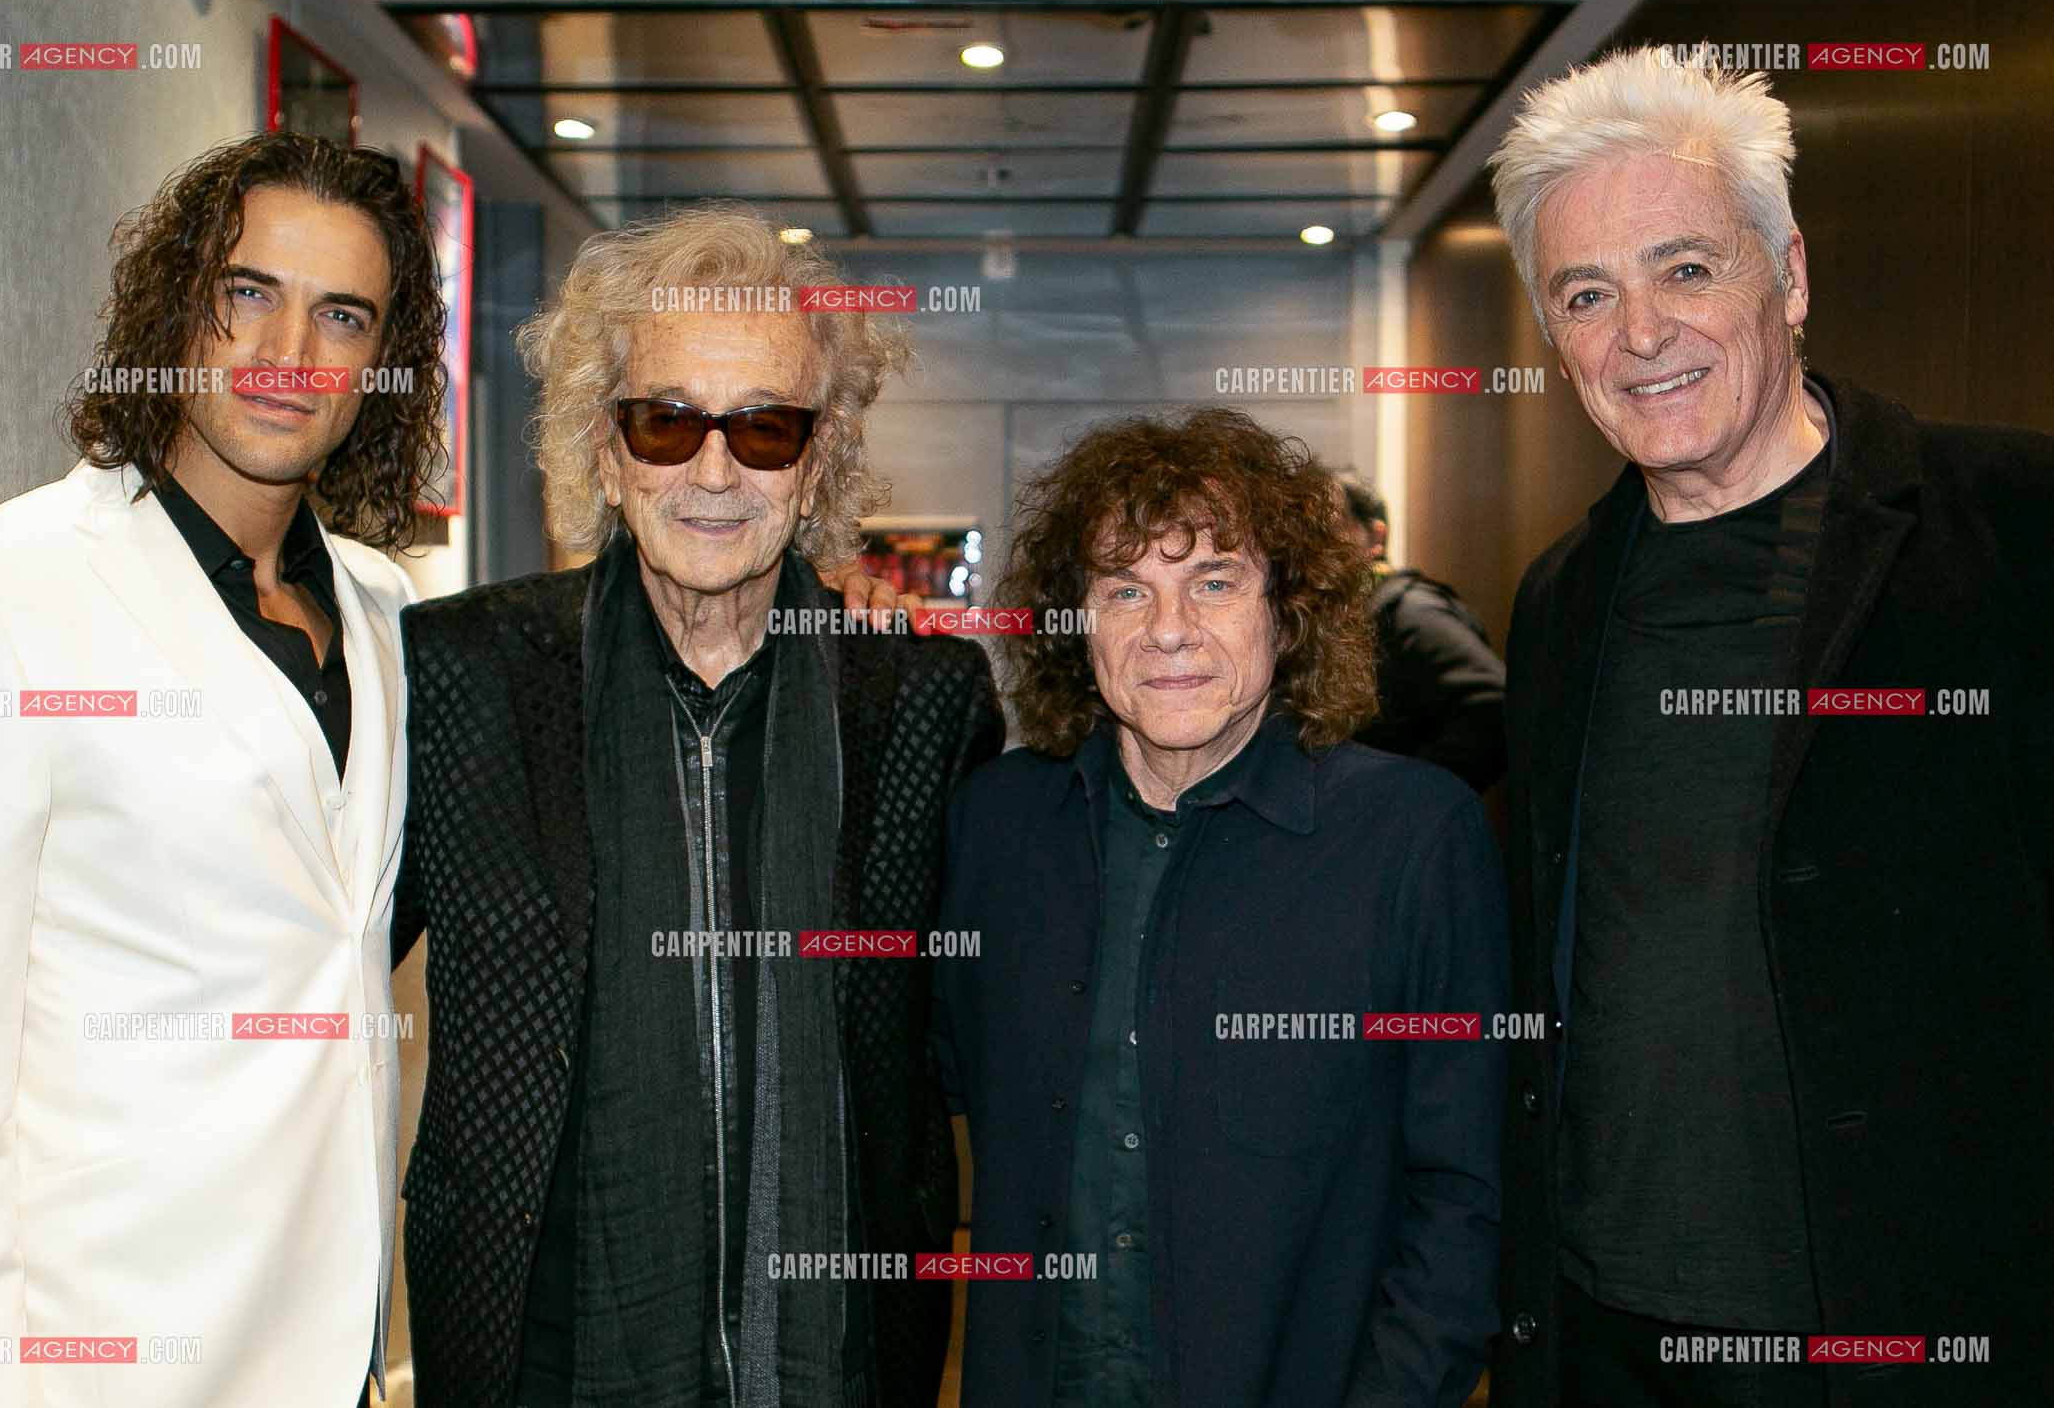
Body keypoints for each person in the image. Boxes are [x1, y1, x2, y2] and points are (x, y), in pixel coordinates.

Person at [0, 132, 446, 1408]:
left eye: (343, 316)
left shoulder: (385, 618)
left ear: (379, 363)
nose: (291, 357)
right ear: (177, 307)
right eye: (247, 295)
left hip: (330, 1361)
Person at [1487, 47, 2054, 1407]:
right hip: (1609, 1327)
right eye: (1585, 294)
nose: (1639, 331)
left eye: (1685, 269)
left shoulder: (2012, 530)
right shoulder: (1562, 599)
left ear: (1787, 276)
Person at [392, 203, 1004, 1408]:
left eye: (765, 428)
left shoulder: (920, 697)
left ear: (818, 461)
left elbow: (989, 1016)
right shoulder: (463, 674)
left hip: (839, 1351)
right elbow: (298, 966)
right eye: (667, 422)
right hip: (540, 1349)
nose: (713, 471)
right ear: (606, 450)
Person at [936, 407, 1507, 1407]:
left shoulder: (1414, 838)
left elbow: (1468, 1193)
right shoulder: (997, 823)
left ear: (1287, 611)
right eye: (1126, 588)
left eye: (1214, 582)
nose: (1168, 630)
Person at [1334, 469, 1508, 790]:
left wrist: (1406, 796)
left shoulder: (1411, 611)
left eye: (1328, 528)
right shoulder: (1338, 619)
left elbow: (1491, 706)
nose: (1312, 544)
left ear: (1376, 537)